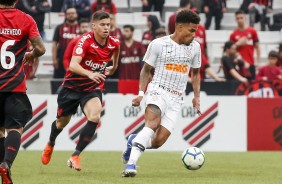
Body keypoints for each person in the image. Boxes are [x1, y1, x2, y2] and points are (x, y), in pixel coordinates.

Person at [121, 9, 202, 177]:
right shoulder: (158, 44)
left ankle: (133, 141)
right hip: (158, 90)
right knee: (151, 124)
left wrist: (196, 97)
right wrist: (141, 93)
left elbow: (196, 73)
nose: (194, 35)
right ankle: (131, 165)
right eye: (192, 30)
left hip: (177, 98)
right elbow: (146, 70)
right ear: (179, 27)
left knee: (158, 142)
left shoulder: (195, 47)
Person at [41, 11, 120, 171]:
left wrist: (112, 69)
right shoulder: (84, 41)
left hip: (91, 88)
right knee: (62, 122)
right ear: (94, 26)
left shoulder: (114, 43)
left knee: (95, 115)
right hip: (71, 87)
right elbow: (73, 65)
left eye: (108, 25)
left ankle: (75, 155)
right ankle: (50, 143)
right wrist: (90, 73)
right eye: (103, 25)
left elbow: (115, 60)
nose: (106, 28)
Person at [0, 0, 46, 183]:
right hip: (14, 86)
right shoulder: (26, 19)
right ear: (16, 0)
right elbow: (41, 49)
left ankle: (3, 169)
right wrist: (31, 54)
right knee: (15, 128)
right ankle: (6, 164)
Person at [230, 10, 261, 80]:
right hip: (239, 64)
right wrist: (238, 44)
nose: (240, 20)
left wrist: (258, 62)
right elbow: (230, 50)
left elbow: (257, 47)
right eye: (238, 18)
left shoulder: (252, 31)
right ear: (235, 20)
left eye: (241, 18)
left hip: (250, 63)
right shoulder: (233, 34)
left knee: (251, 86)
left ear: (245, 18)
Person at [52, 7, 80, 79]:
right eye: (69, 14)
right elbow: (54, 44)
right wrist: (54, 59)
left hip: (77, 60)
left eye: (73, 13)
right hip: (61, 59)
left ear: (76, 14)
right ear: (65, 15)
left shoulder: (81, 27)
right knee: (58, 82)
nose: (71, 15)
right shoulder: (59, 27)